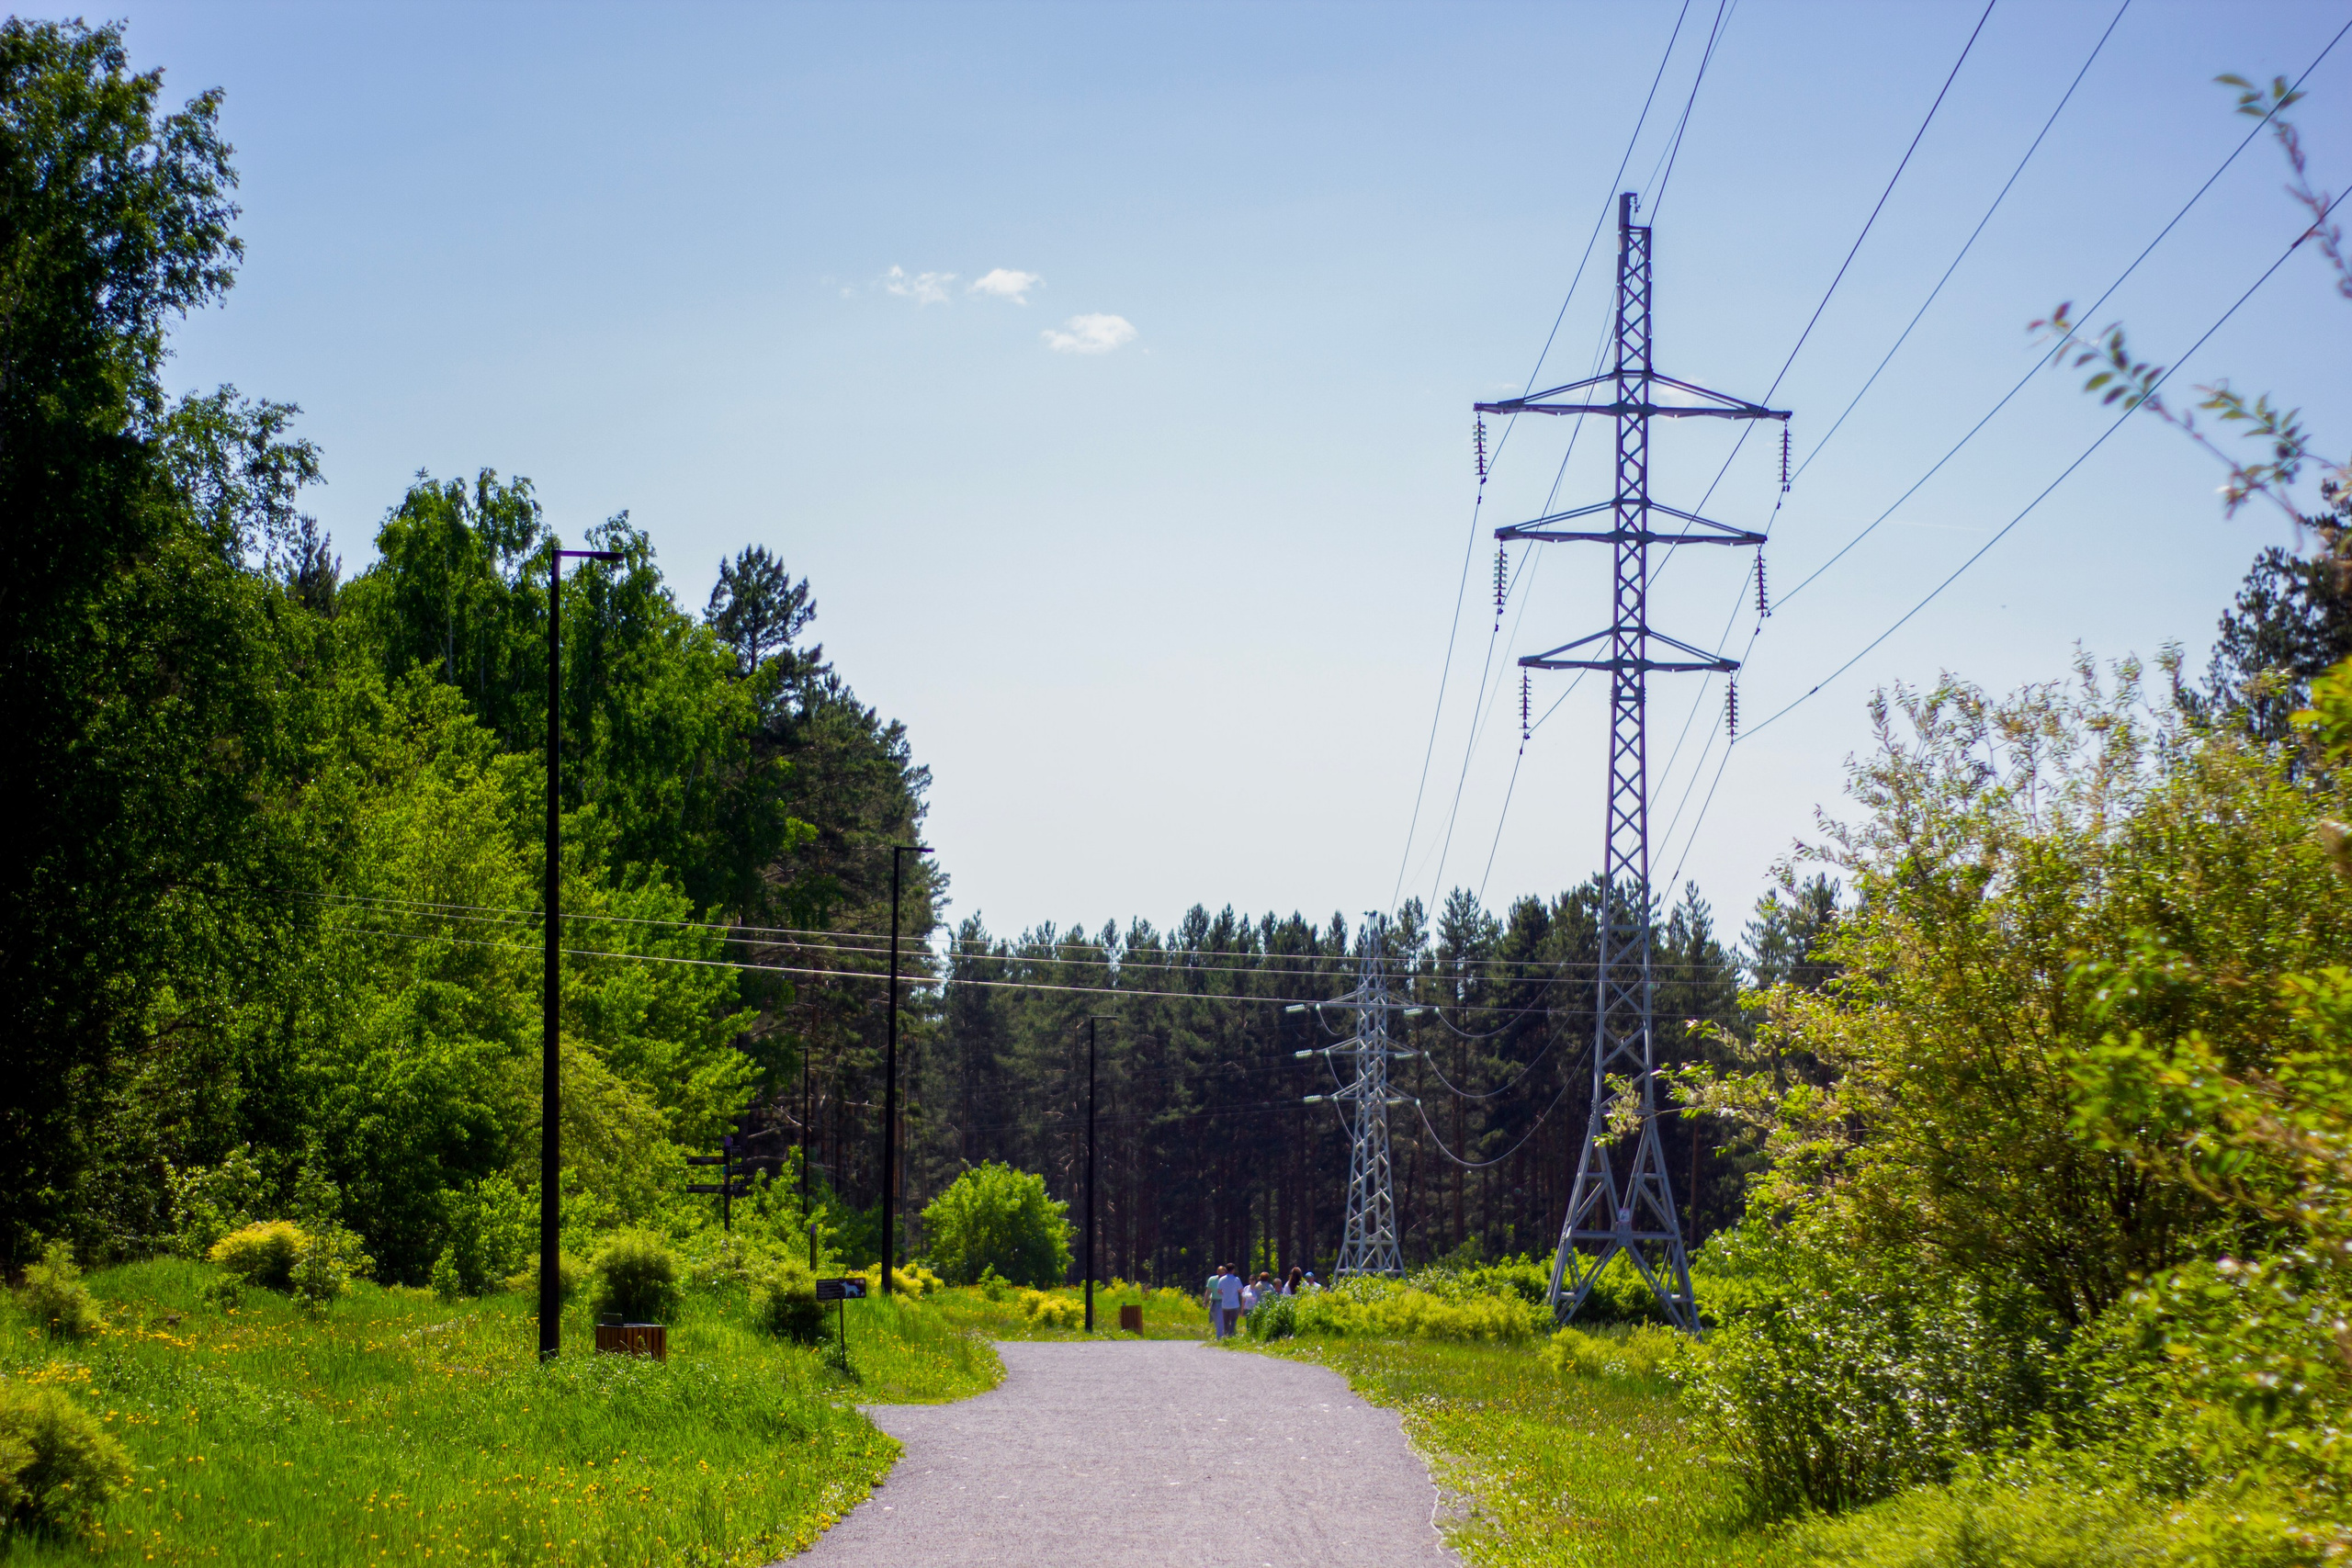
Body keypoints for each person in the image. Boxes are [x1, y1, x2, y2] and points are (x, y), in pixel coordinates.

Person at [1216, 1263, 1245, 1337]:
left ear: (1226, 1270)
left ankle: (1226, 1335)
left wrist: (1225, 1294)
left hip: (1225, 1304)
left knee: (1226, 1322)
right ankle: (1231, 1335)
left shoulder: (1222, 1279)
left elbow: (1219, 1291)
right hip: (1234, 1304)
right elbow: (1241, 1290)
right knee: (1233, 1321)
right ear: (1233, 1270)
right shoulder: (1236, 1279)